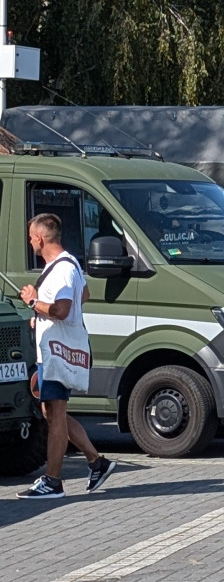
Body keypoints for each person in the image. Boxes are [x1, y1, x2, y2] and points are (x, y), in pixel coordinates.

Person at [17, 213, 116, 499]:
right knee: (51, 410)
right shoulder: (70, 263)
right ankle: (97, 462)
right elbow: (83, 294)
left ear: (39, 238)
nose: (30, 242)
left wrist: (35, 302)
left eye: (31, 238)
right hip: (62, 348)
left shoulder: (59, 270)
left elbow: (61, 308)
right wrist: (43, 315)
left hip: (56, 353)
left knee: (56, 413)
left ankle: (53, 481)